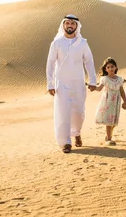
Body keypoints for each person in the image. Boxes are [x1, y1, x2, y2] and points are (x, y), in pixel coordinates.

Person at [46, 14, 97, 154]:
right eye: (67, 23)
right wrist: (49, 84)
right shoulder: (56, 43)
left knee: (78, 112)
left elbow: (89, 62)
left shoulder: (82, 43)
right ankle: (65, 142)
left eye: (72, 24)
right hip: (61, 84)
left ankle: (76, 132)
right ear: (63, 25)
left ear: (76, 26)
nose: (70, 25)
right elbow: (50, 64)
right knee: (63, 113)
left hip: (78, 83)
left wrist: (93, 81)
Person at [95, 57, 126, 145]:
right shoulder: (104, 79)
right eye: (108, 67)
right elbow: (99, 88)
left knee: (113, 122)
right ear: (105, 69)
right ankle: (109, 138)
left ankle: (109, 135)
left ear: (116, 67)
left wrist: (125, 101)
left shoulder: (120, 79)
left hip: (116, 102)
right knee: (109, 121)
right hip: (108, 103)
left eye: (112, 66)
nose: (110, 69)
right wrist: (93, 87)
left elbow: (122, 91)